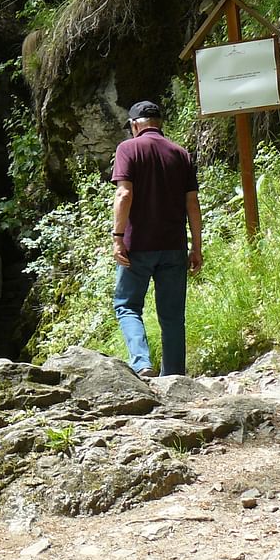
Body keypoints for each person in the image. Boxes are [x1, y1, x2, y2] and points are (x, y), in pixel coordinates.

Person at [111, 100, 203, 377]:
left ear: (134, 124)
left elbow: (124, 194)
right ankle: (174, 375)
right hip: (174, 246)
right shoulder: (180, 153)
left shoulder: (128, 149)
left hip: (136, 246)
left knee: (127, 306)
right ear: (159, 123)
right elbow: (192, 203)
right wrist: (196, 247)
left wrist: (117, 237)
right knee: (173, 316)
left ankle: (141, 364)